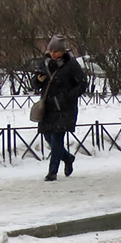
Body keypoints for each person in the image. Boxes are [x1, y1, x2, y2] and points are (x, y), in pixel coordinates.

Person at [33, 34, 87, 182]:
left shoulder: (71, 64)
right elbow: (35, 85)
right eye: (51, 51)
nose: (53, 54)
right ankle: (67, 157)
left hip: (65, 108)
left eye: (56, 51)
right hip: (48, 107)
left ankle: (52, 172)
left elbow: (82, 84)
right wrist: (38, 80)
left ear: (63, 51)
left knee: (57, 138)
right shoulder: (44, 63)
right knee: (48, 137)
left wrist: (67, 97)